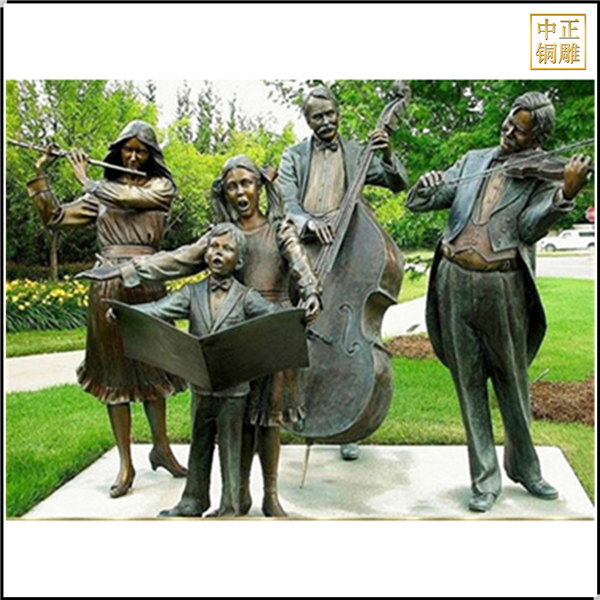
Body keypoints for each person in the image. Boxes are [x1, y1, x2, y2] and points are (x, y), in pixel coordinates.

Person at [80, 155, 321, 516]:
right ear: (224, 193)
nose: (240, 192)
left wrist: (312, 291)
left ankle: (270, 495)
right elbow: (175, 260)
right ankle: (237, 497)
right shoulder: (220, 236)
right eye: (232, 186)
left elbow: (300, 263)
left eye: (246, 183)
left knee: (269, 421)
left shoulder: (279, 228)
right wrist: (126, 270)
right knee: (235, 419)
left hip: (271, 329)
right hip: (231, 336)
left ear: (259, 186)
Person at [406, 92, 591, 512]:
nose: (508, 132)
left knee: (512, 379)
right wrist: (426, 184)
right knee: (468, 384)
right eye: (508, 122)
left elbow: (528, 228)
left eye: (519, 131)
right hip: (453, 281)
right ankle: (484, 479)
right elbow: (420, 202)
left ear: (537, 138)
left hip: (502, 286)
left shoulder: (542, 176)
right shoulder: (473, 160)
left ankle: (525, 467)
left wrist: (565, 193)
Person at [27, 120, 187, 498]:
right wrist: (40, 174)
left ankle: (162, 449)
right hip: (108, 285)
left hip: (148, 281)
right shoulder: (101, 195)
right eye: (127, 149)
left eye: (141, 150)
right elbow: (55, 218)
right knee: (115, 375)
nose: (132, 156)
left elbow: (131, 199)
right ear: (118, 152)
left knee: (153, 370)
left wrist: (88, 182)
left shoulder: (160, 187)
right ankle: (125, 463)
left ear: (151, 155)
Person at [278, 85, 409, 461]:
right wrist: (307, 223)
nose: (326, 122)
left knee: (344, 325)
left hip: (349, 248)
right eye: (317, 117)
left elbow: (396, 182)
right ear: (307, 120)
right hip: (306, 250)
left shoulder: (355, 151)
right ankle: (293, 408)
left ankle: (348, 420)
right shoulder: (293, 156)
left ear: (339, 112)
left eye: (330, 114)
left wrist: (387, 151)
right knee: (300, 331)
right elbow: (287, 203)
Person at [115, 223, 280, 517]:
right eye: (214, 246)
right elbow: (159, 309)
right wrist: (125, 313)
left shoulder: (246, 297)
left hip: (233, 390)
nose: (218, 253)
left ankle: (231, 506)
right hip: (201, 386)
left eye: (227, 248)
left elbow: (273, 317)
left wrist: (299, 318)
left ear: (239, 261)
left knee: (230, 448)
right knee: (199, 445)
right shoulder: (191, 293)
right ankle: (193, 500)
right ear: (205, 254)